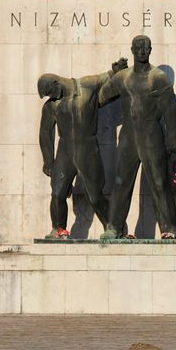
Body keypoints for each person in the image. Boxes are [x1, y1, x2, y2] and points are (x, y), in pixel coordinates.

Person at [99, 35, 176, 239]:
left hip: (151, 133)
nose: (142, 50)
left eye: (146, 47)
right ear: (132, 50)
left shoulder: (159, 77)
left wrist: (173, 138)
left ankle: (169, 228)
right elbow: (102, 96)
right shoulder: (123, 77)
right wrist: (111, 74)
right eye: (138, 47)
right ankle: (113, 227)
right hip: (128, 134)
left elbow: (170, 110)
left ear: (150, 50)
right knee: (120, 181)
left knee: (159, 181)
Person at [38, 58, 127, 239]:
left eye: (50, 92)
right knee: (57, 192)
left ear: (56, 83)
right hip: (65, 149)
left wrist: (117, 70)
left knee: (95, 196)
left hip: (87, 147)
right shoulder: (51, 106)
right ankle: (58, 228)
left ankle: (114, 228)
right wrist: (48, 161)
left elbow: (108, 77)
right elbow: (45, 133)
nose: (50, 97)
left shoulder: (86, 85)